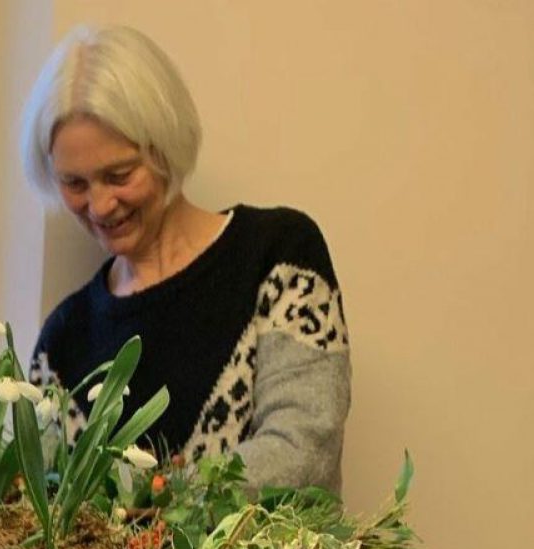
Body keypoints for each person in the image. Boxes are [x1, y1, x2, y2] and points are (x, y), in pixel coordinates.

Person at [22, 25, 350, 493]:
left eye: (119, 175)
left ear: (165, 147)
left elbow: (303, 452)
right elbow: (41, 499)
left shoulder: (279, 259)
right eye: (74, 184)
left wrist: (157, 495)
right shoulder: (62, 342)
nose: (100, 206)